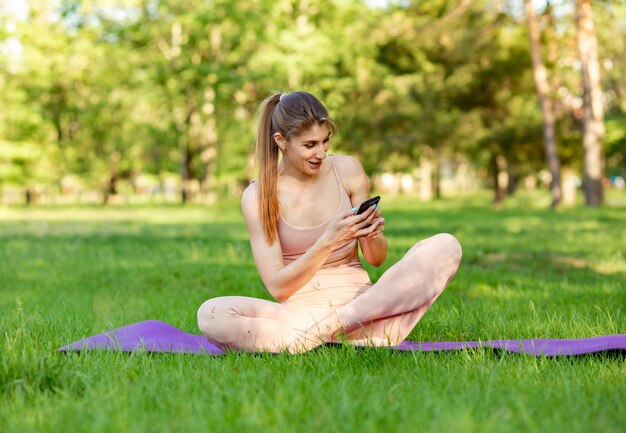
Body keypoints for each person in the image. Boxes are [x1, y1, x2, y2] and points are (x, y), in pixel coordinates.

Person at [197, 91, 462, 354]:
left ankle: (315, 337)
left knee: (446, 246)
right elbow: (278, 287)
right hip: (299, 317)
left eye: (325, 141)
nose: (321, 153)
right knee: (210, 314)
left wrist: (370, 234)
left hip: (366, 309)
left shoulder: (347, 170)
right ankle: (328, 338)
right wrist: (328, 240)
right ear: (281, 141)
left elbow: (377, 258)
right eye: (310, 145)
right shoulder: (257, 195)